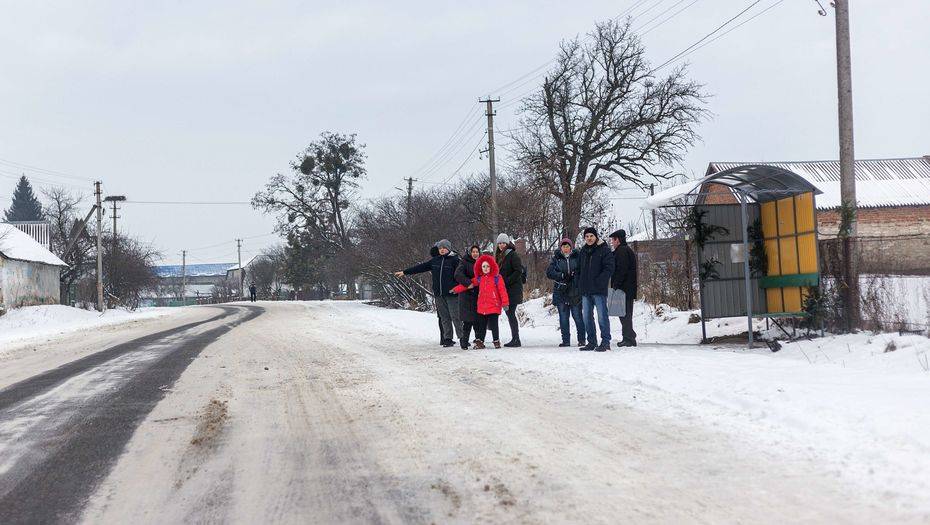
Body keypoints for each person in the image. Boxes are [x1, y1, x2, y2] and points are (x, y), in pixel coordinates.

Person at [395, 239, 463, 347]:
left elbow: (462, 275)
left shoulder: (455, 260)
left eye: (444, 248)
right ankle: (447, 339)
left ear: (448, 249)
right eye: (440, 248)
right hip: (439, 294)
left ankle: (462, 338)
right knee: (444, 318)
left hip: (452, 294)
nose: (442, 250)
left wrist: (460, 288)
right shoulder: (435, 261)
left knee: (456, 317)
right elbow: (420, 267)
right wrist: (405, 272)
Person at [452, 254, 509, 349]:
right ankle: (480, 341)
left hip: (494, 305)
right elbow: (468, 284)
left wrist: (505, 303)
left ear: (492, 266)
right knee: (482, 326)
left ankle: (496, 340)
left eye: (487, 266)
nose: (486, 268)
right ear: (480, 268)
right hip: (482, 307)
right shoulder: (479, 278)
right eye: (483, 266)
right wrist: (456, 289)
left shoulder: (497, 277)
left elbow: (502, 291)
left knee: (494, 325)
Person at [577, 227, 615, 352]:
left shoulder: (604, 250)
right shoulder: (582, 251)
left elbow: (609, 268)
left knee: (602, 317)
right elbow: (578, 270)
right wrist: (579, 283)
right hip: (585, 290)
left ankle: (605, 342)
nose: (589, 238)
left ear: (596, 237)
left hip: (599, 290)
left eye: (591, 236)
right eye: (587, 236)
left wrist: (600, 281)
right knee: (587, 317)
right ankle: (591, 342)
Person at [546, 238, 585, 348]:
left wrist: (574, 276)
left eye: (567, 246)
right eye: (563, 246)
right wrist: (562, 276)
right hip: (561, 291)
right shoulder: (556, 259)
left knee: (577, 316)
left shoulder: (578, 257)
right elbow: (549, 272)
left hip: (575, 291)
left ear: (571, 247)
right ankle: (566, 340)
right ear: (561, 248)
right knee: (563, 317)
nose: (565, 248)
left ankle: (582, 340)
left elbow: (582, 270)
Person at [609, 229, 638, 347]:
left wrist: (616, 285)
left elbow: (622, 270)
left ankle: (629, 338)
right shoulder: (622, 250)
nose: (612, 242)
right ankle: (629, 336)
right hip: (626, 288)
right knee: (624, 314)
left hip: (624, 289)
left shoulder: (622, 251)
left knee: (625, 314)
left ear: (618, 240)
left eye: (613, 240)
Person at [494, 233, 524, 347]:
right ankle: (515, 338)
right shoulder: (499, 256)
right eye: (500, 243)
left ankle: (516, 339)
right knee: (509, 313)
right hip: (504, 290)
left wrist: (506, 281)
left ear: (507, 244)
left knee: (510, 313)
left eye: (503, 243)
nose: (501, 245)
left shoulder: (512, 255)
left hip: (513, 290)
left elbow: (518, 271)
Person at [453, 245, 483, 349]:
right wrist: (468, 283)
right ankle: (464, 342)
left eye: (477, 251)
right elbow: (457, 274)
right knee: (468, 321)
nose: (475, 253)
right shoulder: (464, 262)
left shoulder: (482, 262)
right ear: (470, 253)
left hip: (479, 295)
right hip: (467, 295)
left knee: (478, 321)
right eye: (473, 252)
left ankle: (478, 342)